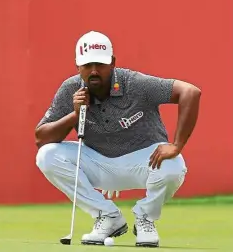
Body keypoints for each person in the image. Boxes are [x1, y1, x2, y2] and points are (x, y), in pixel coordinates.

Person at [35, 31, 201, 247]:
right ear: (77, 65)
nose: (94, 71)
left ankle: (145, 217)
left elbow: (190, 92)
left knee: (174, 165)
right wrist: (75, 115)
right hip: (99, 163)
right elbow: (41, 138)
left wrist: (177, 145)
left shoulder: (134, 83)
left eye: (100, 64)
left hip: (144, 161)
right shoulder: (70, 89)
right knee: (46, 156)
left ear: (112, 63)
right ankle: (107, 216)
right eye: (87, 65)